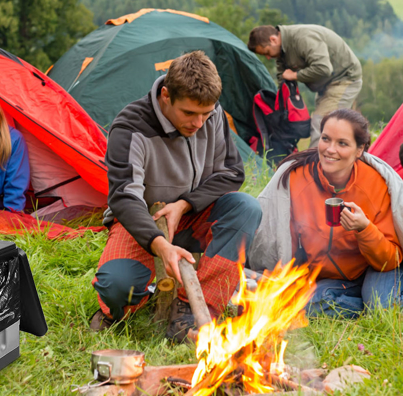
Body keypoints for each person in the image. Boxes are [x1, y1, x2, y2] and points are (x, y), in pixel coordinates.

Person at [90, 51, 262, 341]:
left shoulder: (212, 115)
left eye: (206, 114)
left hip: (194, 215)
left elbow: (232, 172)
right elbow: (124, 198)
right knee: (118, 286)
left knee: (246, 207)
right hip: (142, 221)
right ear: (166, 95)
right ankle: (117, 310)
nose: (198, 123)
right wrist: (160, 245)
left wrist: (184, 204)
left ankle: (191, 313)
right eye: (189, 113)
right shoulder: (130, 126)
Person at [249, 109, 403, 318]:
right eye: (326, 139)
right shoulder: (297, 178)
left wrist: (364, 229)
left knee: (380, 308)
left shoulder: (376, 184)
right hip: (330, 279)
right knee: (307, 305)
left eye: (342, 143)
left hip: (376, 269)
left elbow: (390, 259)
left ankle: (372, 301)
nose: (330, 150)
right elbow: (280, 239)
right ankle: (359, 303)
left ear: (359, 150)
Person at [247, 24, 362, 148]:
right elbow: (283, 78)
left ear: (273, 40)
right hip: (325, 85)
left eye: (267, 52)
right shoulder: (282, 50)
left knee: (322, 123)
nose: (268, 58)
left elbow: (323, 68)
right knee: (333, 125)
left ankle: (312, 165)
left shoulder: (303, 39)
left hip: (344, 79)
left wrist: (295, 76)